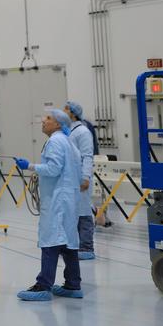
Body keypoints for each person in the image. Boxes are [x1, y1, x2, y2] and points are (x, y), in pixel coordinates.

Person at [14, 108, 83, 301]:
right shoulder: (69, 142)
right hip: (69, 197)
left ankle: (43, 285)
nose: (43, 121)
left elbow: (53, 169)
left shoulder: (54, 141)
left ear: (59, 124)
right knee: (68, 242)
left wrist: (30, 166)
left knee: (51, 240)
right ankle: (73, 284)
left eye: (48, 119)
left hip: (57, 198)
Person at [65, 101, 96, 260]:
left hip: (81, 180)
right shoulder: (70, 130)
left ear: (72, 113)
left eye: (66, 109)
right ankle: (74, 246)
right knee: (73, 213)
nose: (63, 111)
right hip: (71, 180)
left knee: (84, 213)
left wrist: (85, 177)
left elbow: (87, 156)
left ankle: (87, 247)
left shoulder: (83, 131)